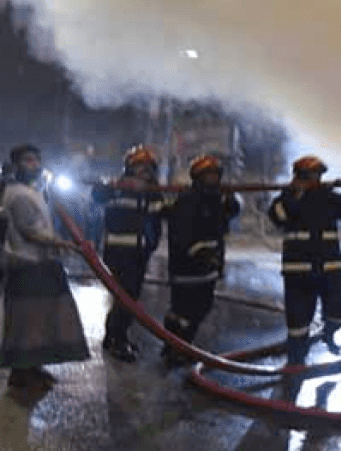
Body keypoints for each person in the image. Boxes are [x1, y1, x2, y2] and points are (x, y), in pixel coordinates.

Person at [268, 155, 341, 366]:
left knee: (338, 308)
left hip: (330, 269)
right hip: (298, 273)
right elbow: (277, 216)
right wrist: (293, 195)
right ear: (299, 177)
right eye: (312, 176)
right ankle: (295, 363)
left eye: (319, 176)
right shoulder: (286, 199)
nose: (316, 180)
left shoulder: (329, 199)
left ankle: (328, 332)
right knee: (298, 321)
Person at [0, 144, 89, 390]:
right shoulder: (17, 194)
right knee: (27, 320)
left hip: (41, 262)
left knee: (41, 319)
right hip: (26, 264)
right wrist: (62, 243)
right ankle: (21, 372)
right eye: (28, 161)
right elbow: (31, 231)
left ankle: (34, 366)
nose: (35, 165)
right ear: (16, 165)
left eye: (37, 160)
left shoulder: (34, 191)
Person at [160, 155, 241, 366]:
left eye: (216, 175)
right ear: (198, 177)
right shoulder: (188, 199)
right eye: (209, 175)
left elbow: (230, 213)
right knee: (187, 310)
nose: (213, 179)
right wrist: (201, 252)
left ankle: (173, 345)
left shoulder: (215, 199)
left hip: (207, 268)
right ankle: (179, 347)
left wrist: (232, 199)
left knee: (193, 308)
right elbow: (182, 233)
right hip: (187, 267)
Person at [91, 145, 167, 362]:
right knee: (126, 297)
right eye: (139, 168)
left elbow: (161, 214)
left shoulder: (153, 193)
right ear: (129, 169)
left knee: (129, 297)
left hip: (141, 251)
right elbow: (97, 195)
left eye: (148, 169)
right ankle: (117, 340)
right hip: (120, 251)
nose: (144, 173)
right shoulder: (118, 187)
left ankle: (115, 336)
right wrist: (108, 186)